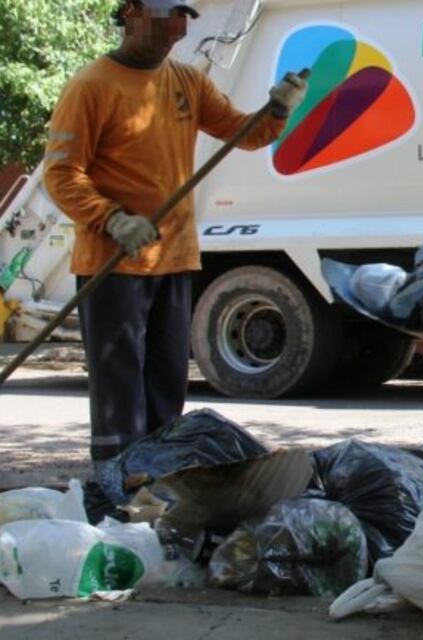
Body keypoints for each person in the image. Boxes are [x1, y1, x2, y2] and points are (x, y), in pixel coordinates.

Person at [43, 0, 307, 502]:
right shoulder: (92, 86)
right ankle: (115, 488)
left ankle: (161, 486)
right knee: (121, 386)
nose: (176, 31)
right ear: (132, 14)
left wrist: (277, 110)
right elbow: (61, 173)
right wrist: (112, 218)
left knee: (166, 381)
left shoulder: (187, 82)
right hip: (113, 263)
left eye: (182, 19)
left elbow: (240, 134)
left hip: (175, 256)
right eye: (166, 18)